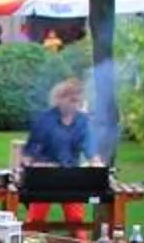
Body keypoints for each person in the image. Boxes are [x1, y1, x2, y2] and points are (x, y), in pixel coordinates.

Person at [19, 71, 97, 230]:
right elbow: (30, 152)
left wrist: (96, 163)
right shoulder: (44, 119)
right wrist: (32, 165)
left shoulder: (83, 121)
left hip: (71, 176)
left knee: (76, 219)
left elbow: (89, 148)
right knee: (36, 219)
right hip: (45, 176)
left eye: (77, 101)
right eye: (71, 100)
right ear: (59, 100)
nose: (75, 104)